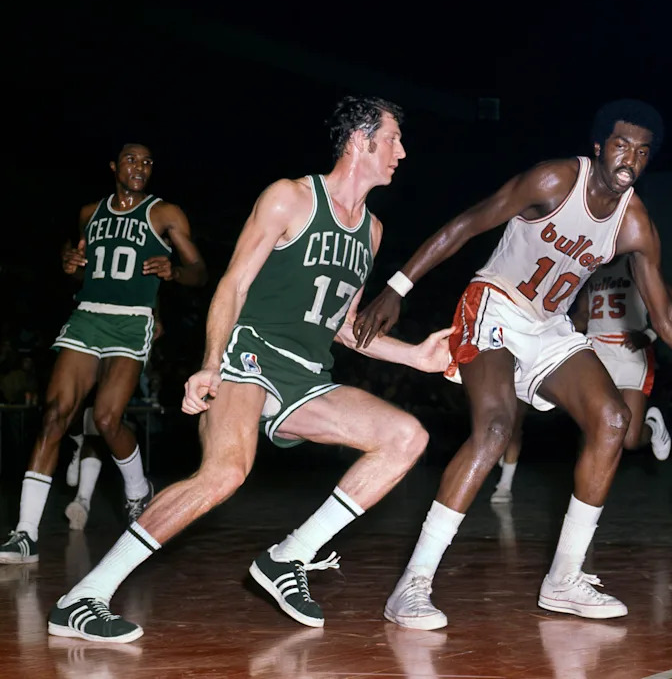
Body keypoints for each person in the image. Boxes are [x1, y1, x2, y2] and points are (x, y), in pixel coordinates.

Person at [354, 98, 672, 630]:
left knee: (614, 420)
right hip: (495, 304)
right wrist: (397, 288)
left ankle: (564, 580)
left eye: (642, 152)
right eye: (621, 146)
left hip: (549, 324)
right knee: (496, 430)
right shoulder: (552, 180)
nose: (630, 159)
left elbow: (665, 320)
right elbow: (467, 224)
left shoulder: (634, 223)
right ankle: (412, 584)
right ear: (599, 147)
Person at [47, 96, 453, 644]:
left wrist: (416, 357)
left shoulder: (373, 231)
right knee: (224, 473)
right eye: (394, 138)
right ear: (361, 140)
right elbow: (233, 284)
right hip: (252, 354)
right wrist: (210, 365)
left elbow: (344, 325)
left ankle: (291, 557)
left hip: (308, 374)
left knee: (406, 436)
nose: (401, 152)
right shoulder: (289, 197)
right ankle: (84, 597)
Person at [0, 143, 207, 565]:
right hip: (88, 316)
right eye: (132, 159)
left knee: (108, 419)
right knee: (55, 413)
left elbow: (199, 273)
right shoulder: (88, 213)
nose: (141, 167)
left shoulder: (166, 213)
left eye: (148, 161)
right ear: (114, 166)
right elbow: (78, 271)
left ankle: (137, 488)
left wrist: (175, 271)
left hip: (133, 320)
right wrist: (70, 263)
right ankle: (25, 534)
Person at [490, 255, 672, 504]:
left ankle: (652, 426)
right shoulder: (593, 267)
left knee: (629, 440)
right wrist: (554, 331)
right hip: (597, 349)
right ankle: (580, 505)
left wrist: (650, 335)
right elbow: (583, 314)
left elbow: (670, 302)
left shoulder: (635, 262)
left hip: (632, 350)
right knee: (590, 431)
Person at [64, 314, 165, 531]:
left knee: (102, 421)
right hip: (94, 329)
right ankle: (77, 443)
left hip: (126, 343)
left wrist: (156, 318)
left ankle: (83, 499)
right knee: (73, 408)